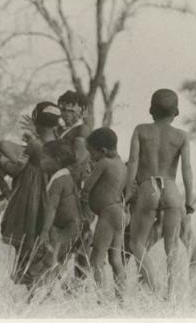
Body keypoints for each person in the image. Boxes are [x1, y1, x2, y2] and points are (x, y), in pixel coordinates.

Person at [124, 88, 194, 299]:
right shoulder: (181, 136)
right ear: (176, 113)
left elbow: (133, 162)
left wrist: (128, 192)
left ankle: (152, 286)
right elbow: (186, 169)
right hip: (172, 190)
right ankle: (170, 294)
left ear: (151, 110)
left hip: (148, 189)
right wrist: (189, 200)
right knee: (171, 247)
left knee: (136, 243)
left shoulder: (141, 130)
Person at [0, 102, 61, 287]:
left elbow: (16, 165)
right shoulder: (59, 146)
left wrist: (3, 161)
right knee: (40, 245)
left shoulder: (34, 145)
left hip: (30, 199)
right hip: (50, 199)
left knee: (28, 247)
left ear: (36, 121)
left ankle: (32, 288)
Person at [25, 140, 82, 291]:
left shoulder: (58, 180)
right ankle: (57, 295)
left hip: (67, 229)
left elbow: (53, 207)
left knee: (46, 263)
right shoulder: (66, 175)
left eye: (44, 158)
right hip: (70, 228)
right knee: (55, 264)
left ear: (56, 161)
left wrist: (45, 231)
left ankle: (38, 297)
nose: (41, 161)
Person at [81, 127, 128, 299]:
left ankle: (101, 300)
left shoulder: (104, 163)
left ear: (103, 151)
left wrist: (84, 202)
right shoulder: (122, 165)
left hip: (108, 213)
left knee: (96, 260)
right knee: (115, 259)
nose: (91, 157)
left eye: (91, 153)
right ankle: (121, 299)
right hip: (120, 213)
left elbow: (87, 186)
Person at [57, 90, 93, 282]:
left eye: (71, 109)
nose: (65, 113)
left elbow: (79, 160)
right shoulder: (63, 131)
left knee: (82, 234)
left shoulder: (82, 131)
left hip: (78, 186)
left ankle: (80, 283)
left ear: (82, 110)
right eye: (62, 109)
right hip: (67, 186)